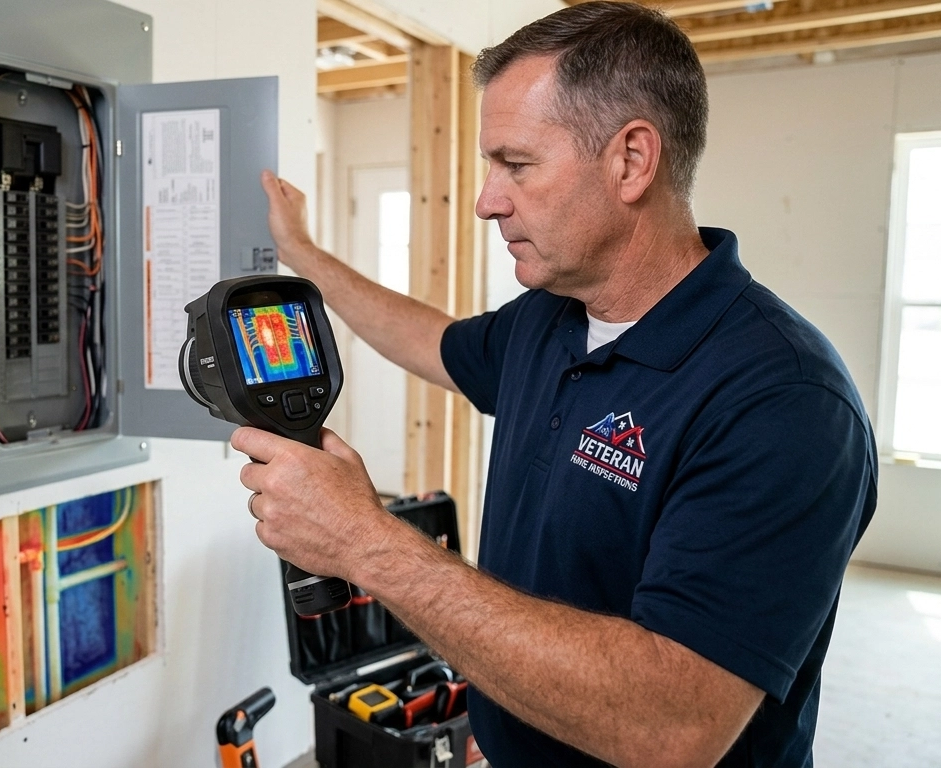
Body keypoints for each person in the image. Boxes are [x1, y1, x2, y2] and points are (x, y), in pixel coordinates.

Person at [232, 3, 877, 766]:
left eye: (517, 163)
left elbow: (672, 728)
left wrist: (367, 543)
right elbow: (427, 337)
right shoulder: (548, 319)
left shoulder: (785, 402)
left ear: (632, 160)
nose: (486, 199)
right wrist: (303, 253)